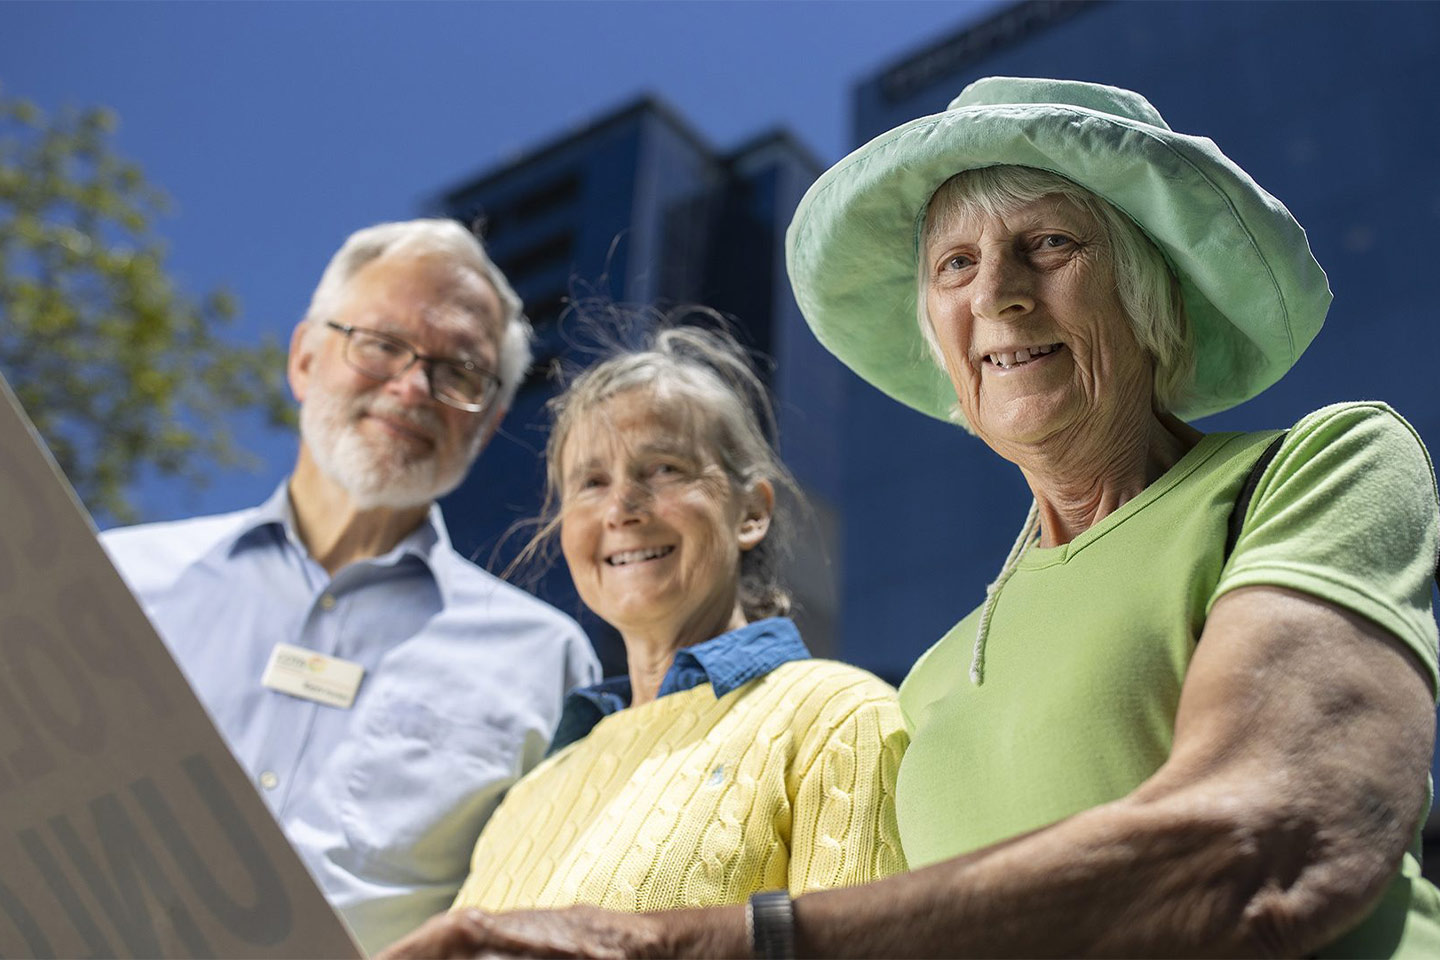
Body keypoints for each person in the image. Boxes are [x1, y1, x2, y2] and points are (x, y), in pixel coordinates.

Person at [381, 79, 1440, 958]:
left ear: (1148, 284)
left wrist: (674, 944)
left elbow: (1273, 845)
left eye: (1051, 244)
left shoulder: (1314, 468)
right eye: (956, 266)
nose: (1001, 296)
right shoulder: (925, 687)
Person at [102, 219, 599, 953]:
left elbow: (541, 914)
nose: (412, 387)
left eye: (459, 372)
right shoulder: (120, 582)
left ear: (489, 423)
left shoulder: (544, 660)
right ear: (304, 358)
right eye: (381, 344)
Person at [411, 325, 904, 927]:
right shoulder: (531, 792)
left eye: (665, 468)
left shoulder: (837, 715)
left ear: (751, 513)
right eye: (591, 483)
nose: (622, 508)